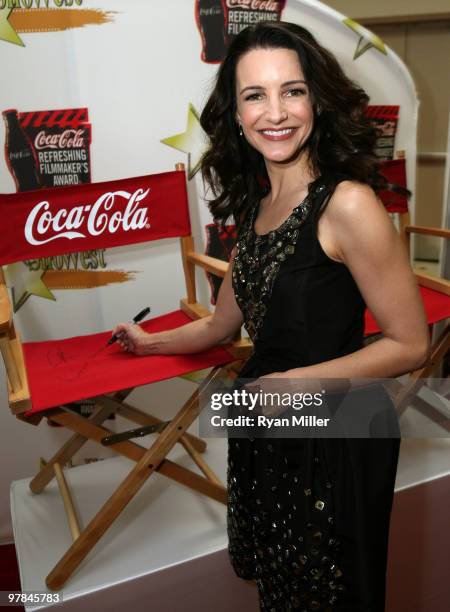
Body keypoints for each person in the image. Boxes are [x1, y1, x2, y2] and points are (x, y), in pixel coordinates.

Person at [112, 22, 429, 612]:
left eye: (293, 90)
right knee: (281, 590)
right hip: (268, 422)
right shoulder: (256, 209)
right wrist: (146, 342)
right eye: (255, 95)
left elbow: (411, 344)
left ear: (317, 100)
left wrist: (295, 387)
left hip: (336, 431)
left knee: (329, 594)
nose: (275, 112)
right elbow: (219, 326)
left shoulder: (350, 203)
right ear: (235, 113)